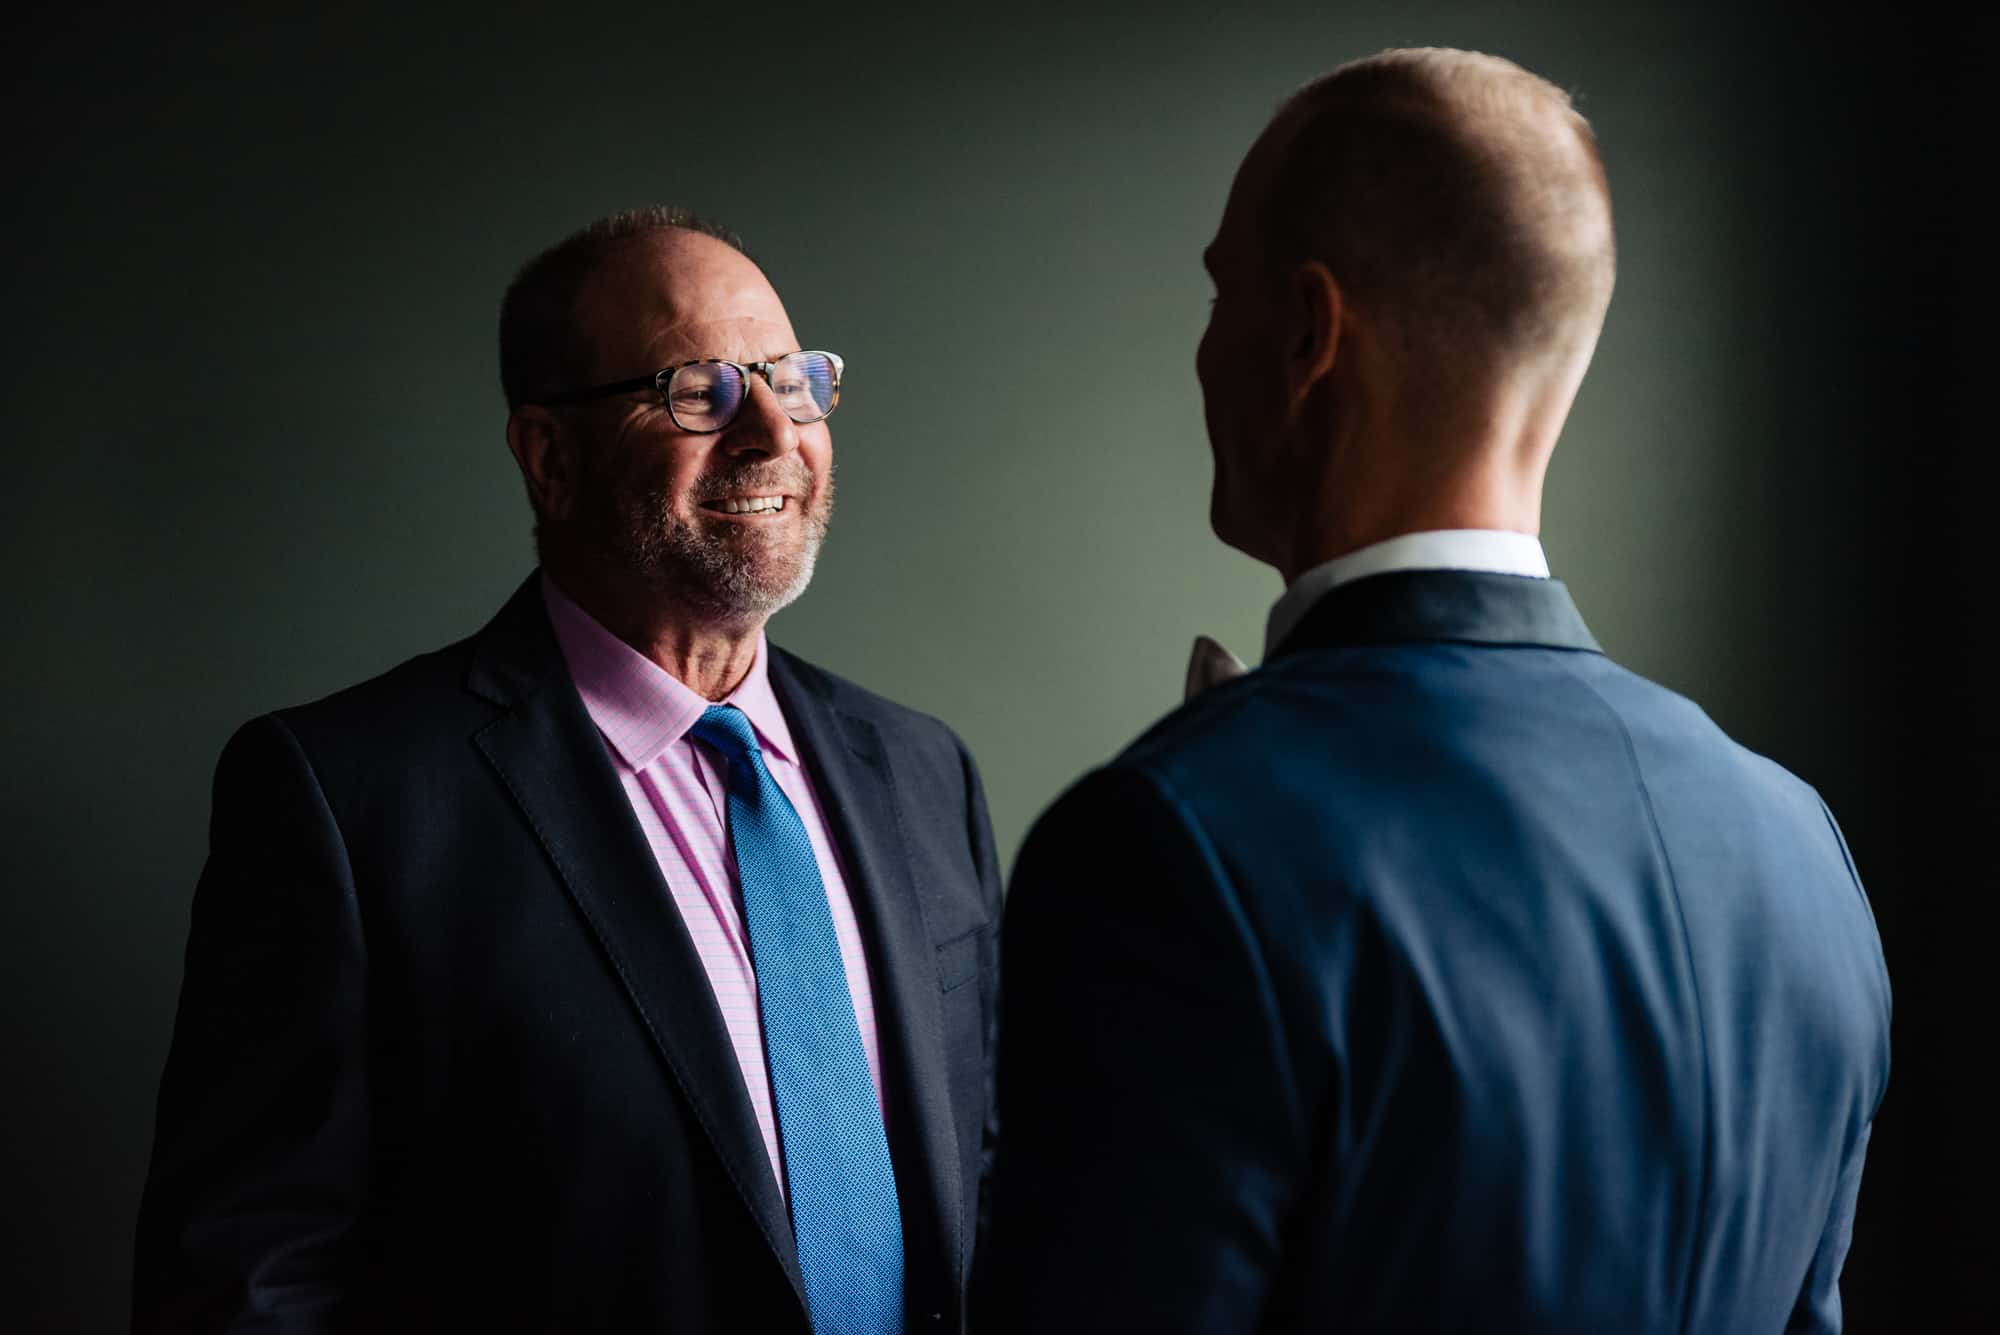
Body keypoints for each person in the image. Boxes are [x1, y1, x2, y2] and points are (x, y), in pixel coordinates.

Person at [975, 49, 1889, 1334]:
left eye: (1217, 293)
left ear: (1304, 332)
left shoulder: (1169, 843)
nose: (1202, 349)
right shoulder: (1801, 850)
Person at [135, 209, 1001, 1334]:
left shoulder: (924, 771)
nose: (770, 433)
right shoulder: (346, 801)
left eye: (792, 380)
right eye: (699, 390)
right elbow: (250, 1281)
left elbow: (991, 1180)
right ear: (550, 457)